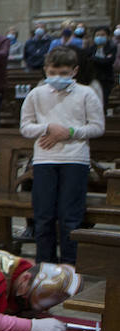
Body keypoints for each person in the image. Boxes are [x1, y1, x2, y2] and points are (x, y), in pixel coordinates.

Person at [21, 46, 105, 266]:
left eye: (64, 73)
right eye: (53, 73)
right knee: (44, 217)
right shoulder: (36, 94)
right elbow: (26, 127)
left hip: (75, 160)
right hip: (45, 160)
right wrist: (48, 127)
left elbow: (97, 127)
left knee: (70, 218)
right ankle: (44, 268)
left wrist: (69, 132)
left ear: (75, 71)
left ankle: (70, 269)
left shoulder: (86, 93)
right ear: (46, 70)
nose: (57, 77)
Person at [90, 27, 115, 111]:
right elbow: (88, 60)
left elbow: (107, 61)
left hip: (106, 78)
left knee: (104, 100)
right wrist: (99, 59)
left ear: (107, 36)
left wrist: (94, 58)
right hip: (94, 77)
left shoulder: (111, 48)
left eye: (102, 35)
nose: (100, 37)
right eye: (97, 35)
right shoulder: (91, 48)